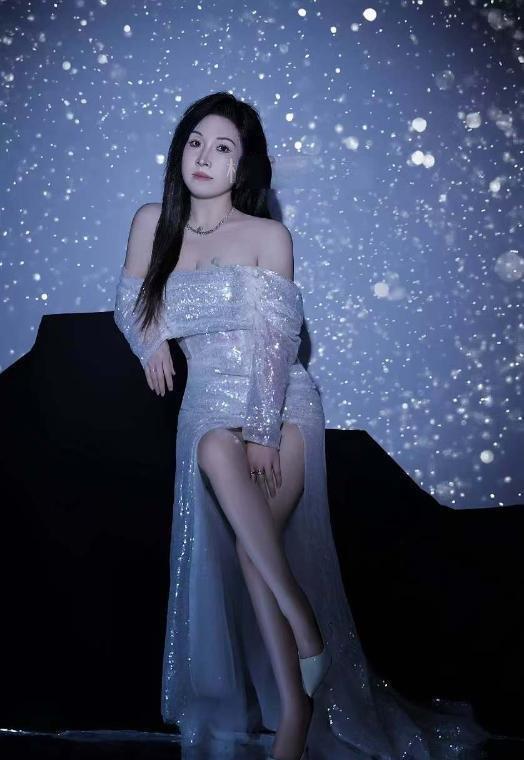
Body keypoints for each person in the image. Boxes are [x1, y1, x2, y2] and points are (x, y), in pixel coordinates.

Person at [114, 92, 491, 760]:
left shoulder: (268, 236)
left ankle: (295, 709)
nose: (204, 157)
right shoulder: (153, 222)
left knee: (253, 553)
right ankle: (303, 635)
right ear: (179, 151)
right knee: (215, 458)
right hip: (206, 403)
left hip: (281, 402)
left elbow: (275, 344)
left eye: (222, 147)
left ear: (243, 165)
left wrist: (263, 432)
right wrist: (150, 345)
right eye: (195, 142)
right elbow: (130, 300)